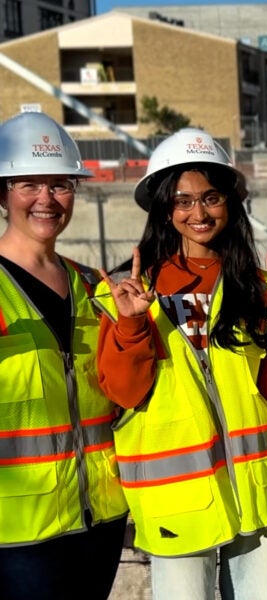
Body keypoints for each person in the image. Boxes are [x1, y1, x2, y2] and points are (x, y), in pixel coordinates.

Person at [93, 128, 267, 600]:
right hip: (175, 490)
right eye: (183, 201)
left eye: (210, 198)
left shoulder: (256, 283)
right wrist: (131, 325)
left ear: (229, 203)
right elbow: (124, 391)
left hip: (257, 481)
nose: (199, 213)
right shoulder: (131, 290)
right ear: (165, 210)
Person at [0, 112, 128, 599]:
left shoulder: (93, 286)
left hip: (100, 516)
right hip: (17, 530)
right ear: (3, 193)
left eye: (60, 185)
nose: (46, 200)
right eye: (29, 184)